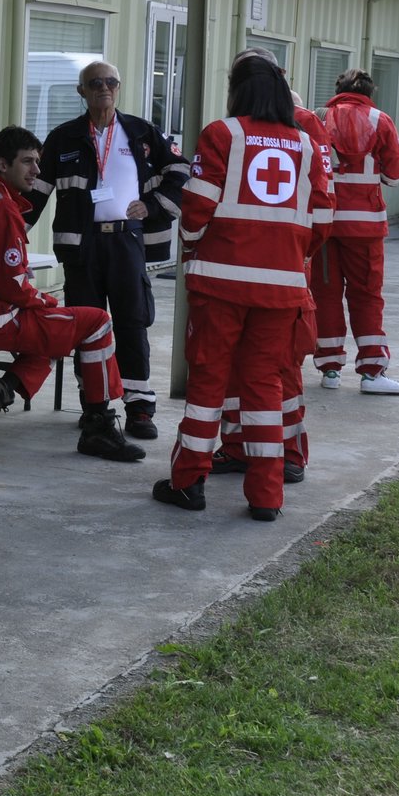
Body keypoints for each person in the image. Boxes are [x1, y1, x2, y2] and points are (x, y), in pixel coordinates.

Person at [151, 53, 333, 521]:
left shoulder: (222, 134)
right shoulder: (307, 145)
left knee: (209, 383)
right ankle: (267, 497)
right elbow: (323, 219)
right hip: (281, 290)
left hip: (220, 285)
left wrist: (194, 247)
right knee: (264, 389)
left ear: (238, 91)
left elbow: (196, 207)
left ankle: (188, 481)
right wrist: (292, 255)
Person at [0, 125, 144, 461]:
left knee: (57, 331)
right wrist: (44, 300)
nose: (37, 171)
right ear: (3, 165)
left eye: (38, 162)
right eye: (28, 162)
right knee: (97, 322)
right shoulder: (2, 207)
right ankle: (98, 425)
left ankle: (2, 390)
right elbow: (12, 285)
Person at [27, 60, 189, 441]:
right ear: (81, 91)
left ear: (119, 88)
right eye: (95, 83)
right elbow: (34, 194)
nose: (104, 88)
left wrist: (152, 206)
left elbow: (182, 171)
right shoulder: (63, 137)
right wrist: (7, 233)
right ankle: (95, 407)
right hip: (81, 247)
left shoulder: (141, 132)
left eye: (111, 82)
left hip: (126, 241)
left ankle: (139, 406)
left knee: (133, 321)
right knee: (87, 327)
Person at [211, 69, 335, 486]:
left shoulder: (303, 141)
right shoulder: (243, 136)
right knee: (242, 372)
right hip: (266, 275)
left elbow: (322, 214)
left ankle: (288, 454)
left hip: (283, 281)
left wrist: (294, 255)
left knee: (280, 372)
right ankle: (237, 447)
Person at [311, 67, 399, 395]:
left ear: (338, 89)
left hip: (324, 222)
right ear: (370, 93)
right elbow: (395, 176)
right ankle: (371, 372)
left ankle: (329, 370)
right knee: (366, 296)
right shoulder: (380, 120)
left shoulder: (318, 117)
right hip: (365, 227)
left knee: (325, 294)